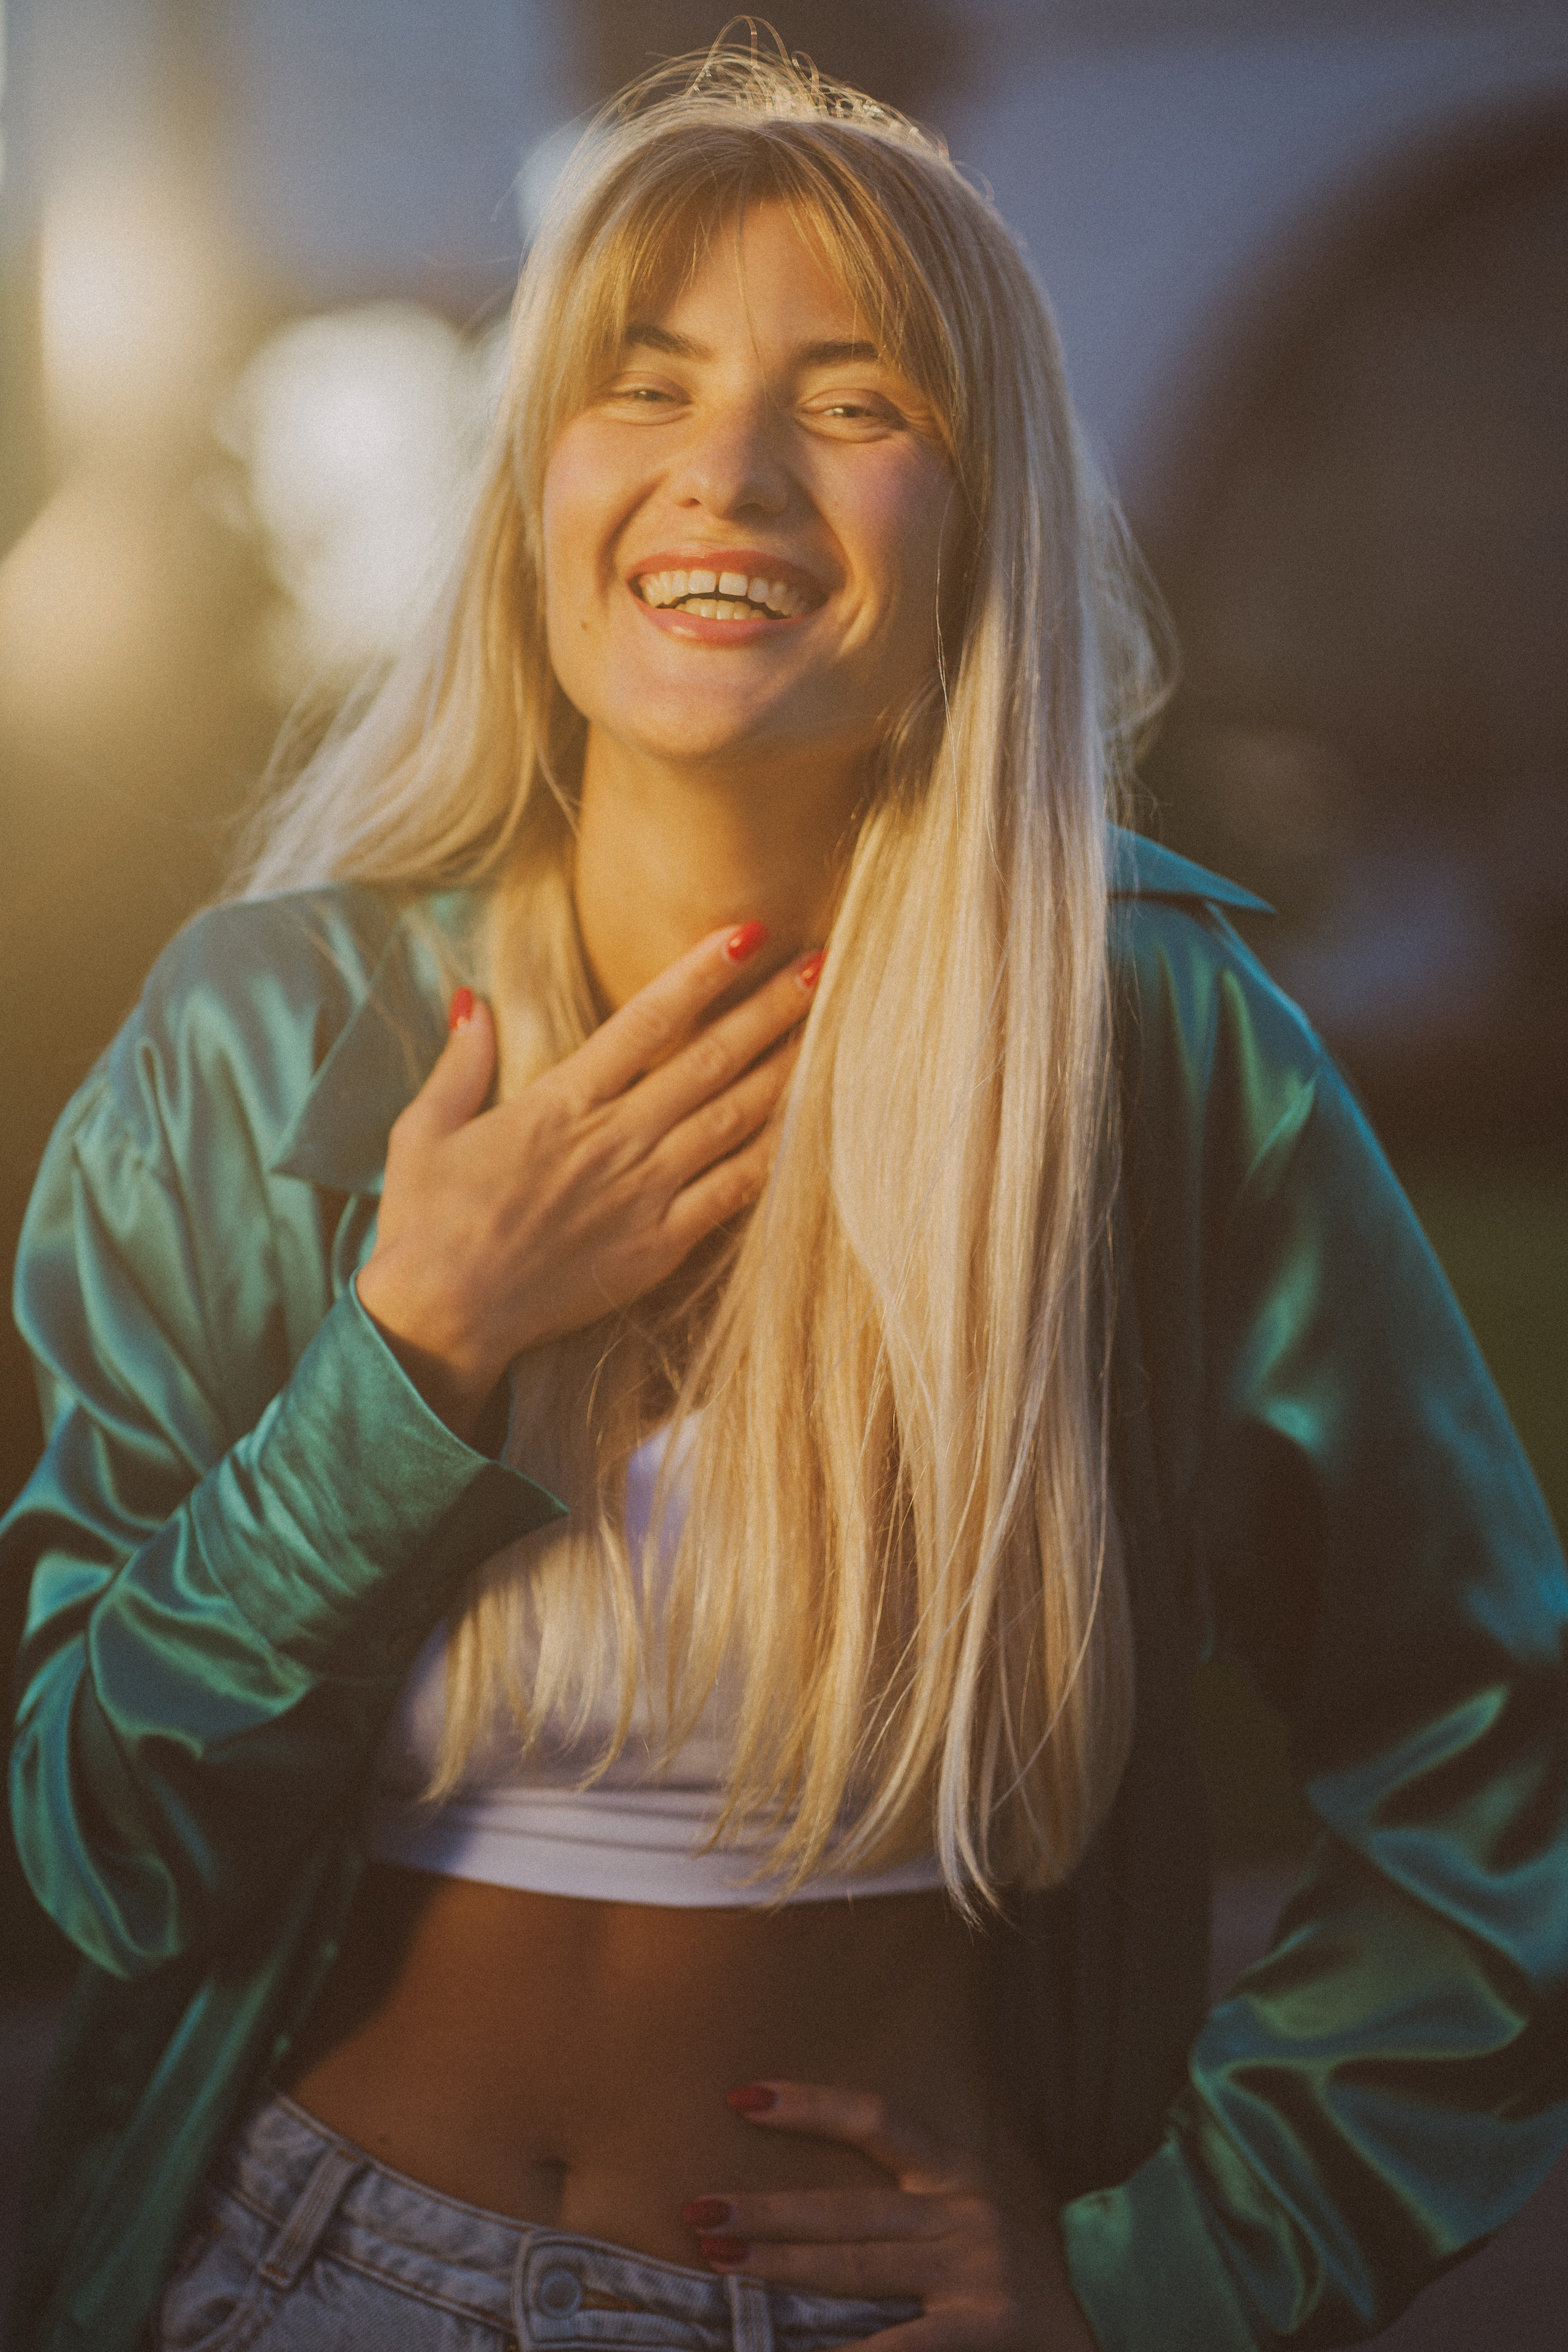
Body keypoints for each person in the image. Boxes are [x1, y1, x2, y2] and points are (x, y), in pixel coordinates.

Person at [4, 46, 1566, 2352]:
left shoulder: (1153, 1047)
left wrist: (1168, 2275)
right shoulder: (262, 1033)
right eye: (643, 386)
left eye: (852, 404)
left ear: (979, 523)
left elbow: (1498, 1771)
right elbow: (97, 1850)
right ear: (538, 487)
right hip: (300, 2279)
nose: (726, 473)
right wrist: (410, 1356)